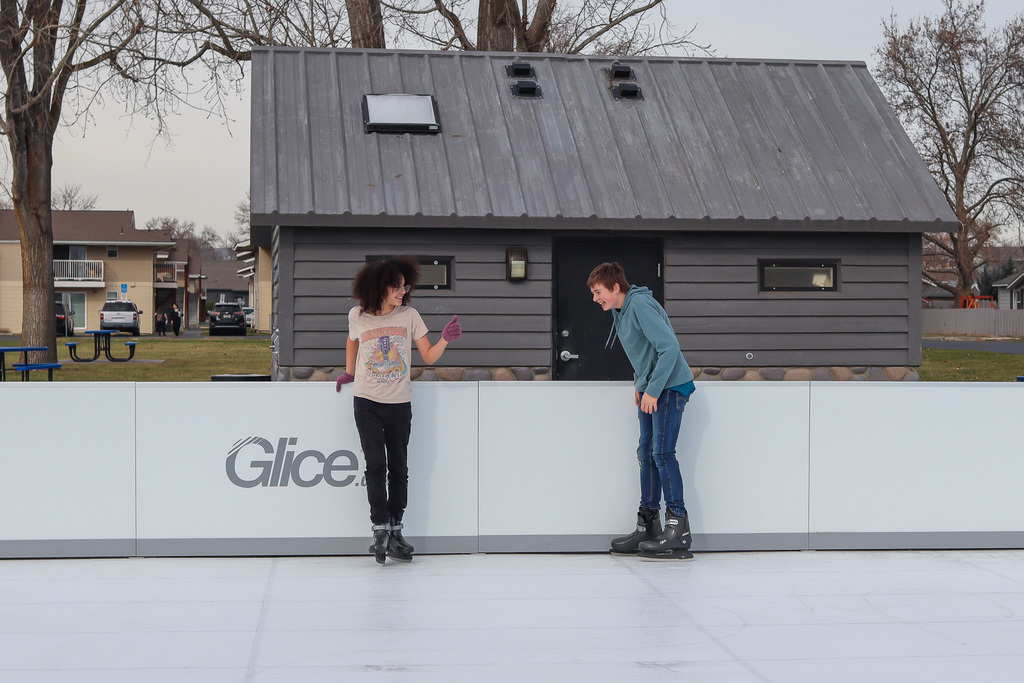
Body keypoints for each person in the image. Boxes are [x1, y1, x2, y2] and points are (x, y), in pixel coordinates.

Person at [336, 257, 462, 565]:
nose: (402, 291)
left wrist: (445, 339)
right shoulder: (358, 315)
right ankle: (379, 528)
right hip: (366, 401)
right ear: (380, 287)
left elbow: (429, 357)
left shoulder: (409, 316)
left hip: (399, 402)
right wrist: (349, 372)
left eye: (405, 286)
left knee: (399, 467)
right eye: (397, 286)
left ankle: (396, 527)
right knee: (375, 463)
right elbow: (352, 341)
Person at [588, 262, 696, 562]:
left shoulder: (641, 305)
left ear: (615, 287)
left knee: (662, 453)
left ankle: (679, 530)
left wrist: (653, 389)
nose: (596, 298)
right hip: (653, 388)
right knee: (645, 454)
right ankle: (648, 525)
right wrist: (641, 384)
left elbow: (668, 347)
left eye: (598, 292)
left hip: (670, 387)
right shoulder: (620, 311)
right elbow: (644, 353)